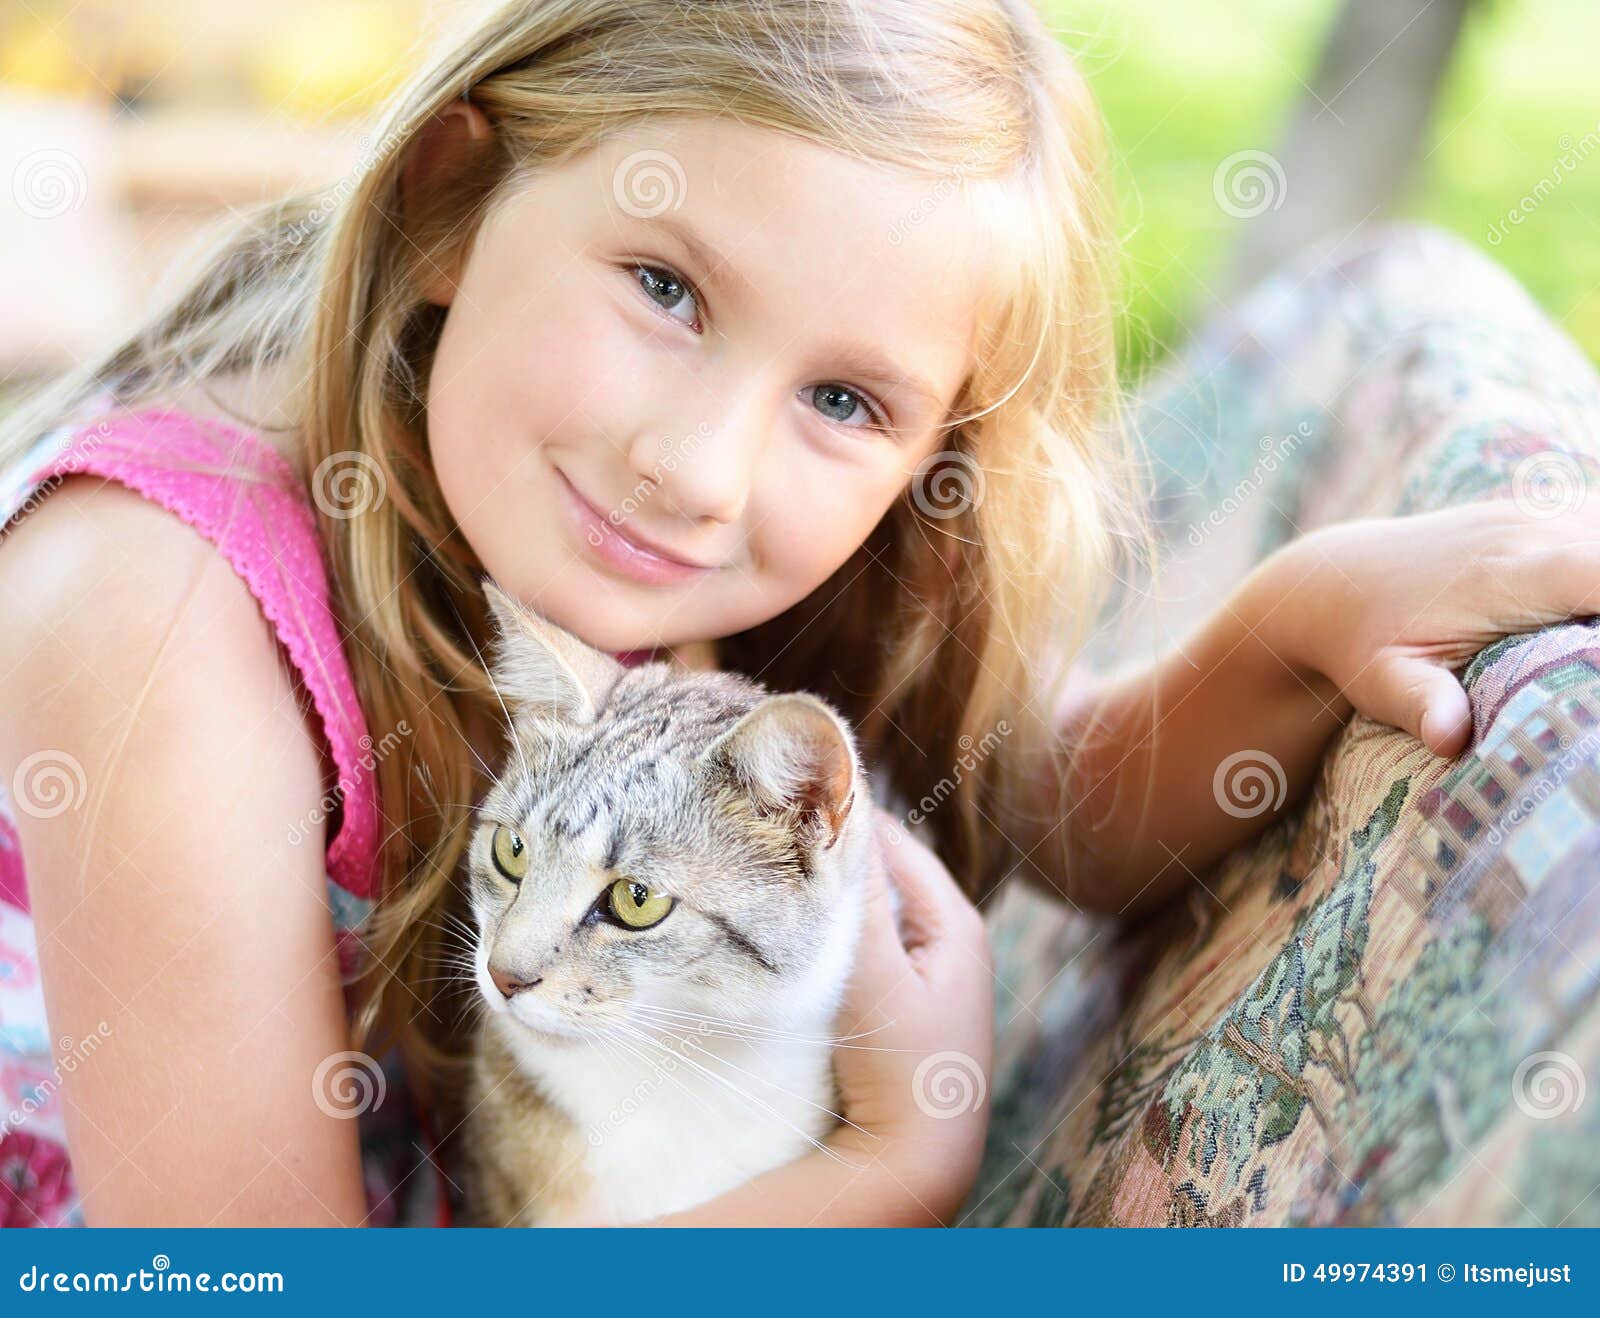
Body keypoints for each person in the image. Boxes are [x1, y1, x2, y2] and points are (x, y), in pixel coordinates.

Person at [1, 0, 1595, 1227]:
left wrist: (1300, 622)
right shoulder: (158, 614)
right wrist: (891, 1168)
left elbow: (1051, 800)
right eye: (666, 287)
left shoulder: (688, 557)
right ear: (446, 201)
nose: (700, 470)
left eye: (843, 395)